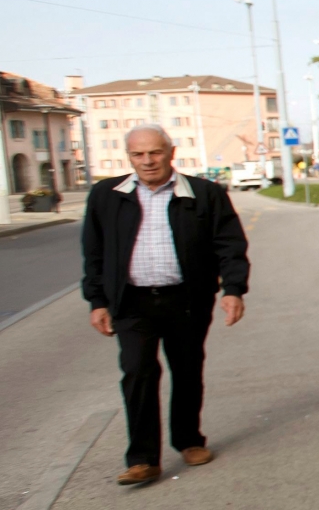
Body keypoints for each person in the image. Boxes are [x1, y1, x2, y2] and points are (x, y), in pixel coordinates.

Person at [81, 124, 250, 488]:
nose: (147, 161)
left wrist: (233, 289)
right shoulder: (106, 195)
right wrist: (97, 300)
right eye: (138, 154)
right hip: (131, 302)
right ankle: (142, 459)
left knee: (187, 369)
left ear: (171, 153)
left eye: (154, 153)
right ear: (128, 157)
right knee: (137, 372)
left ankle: (189, 440)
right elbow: (93, 253)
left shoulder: (204, 193)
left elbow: (229, 245)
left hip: (186, 300)